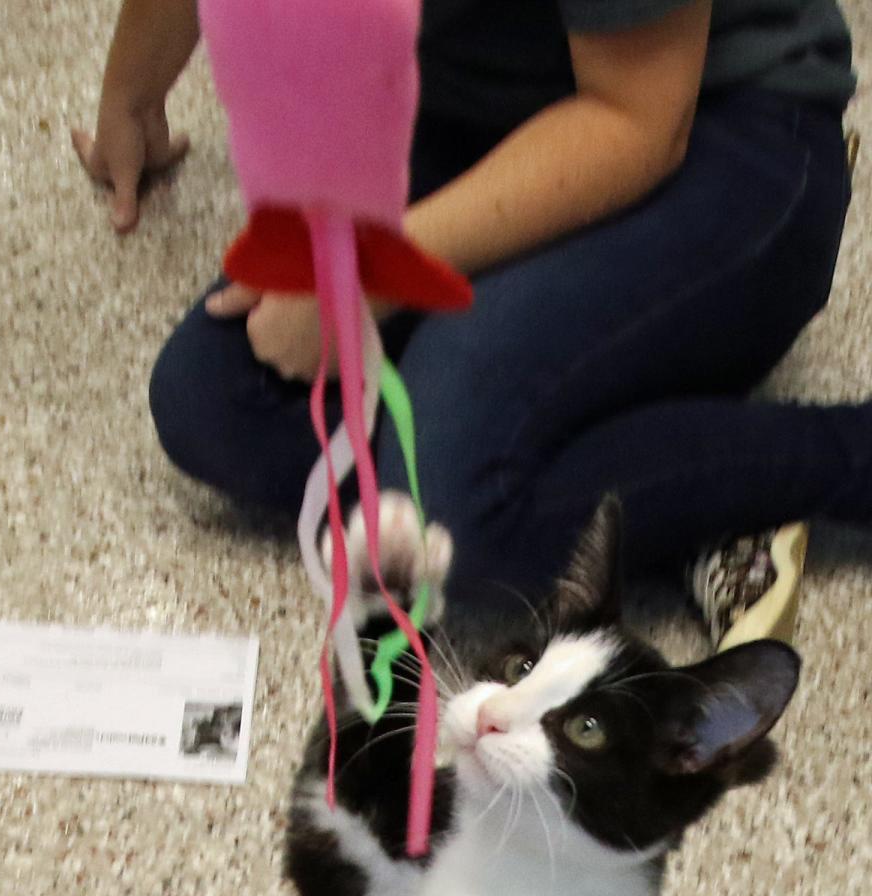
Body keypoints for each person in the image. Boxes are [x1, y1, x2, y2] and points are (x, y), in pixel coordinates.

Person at [74, 0, 870, 643]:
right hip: (482, 113)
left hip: (727, 136)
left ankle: (823, 461)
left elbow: (639, 121)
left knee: (446, 516)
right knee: (214, 401)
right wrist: (133, 99)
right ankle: (652, 471)